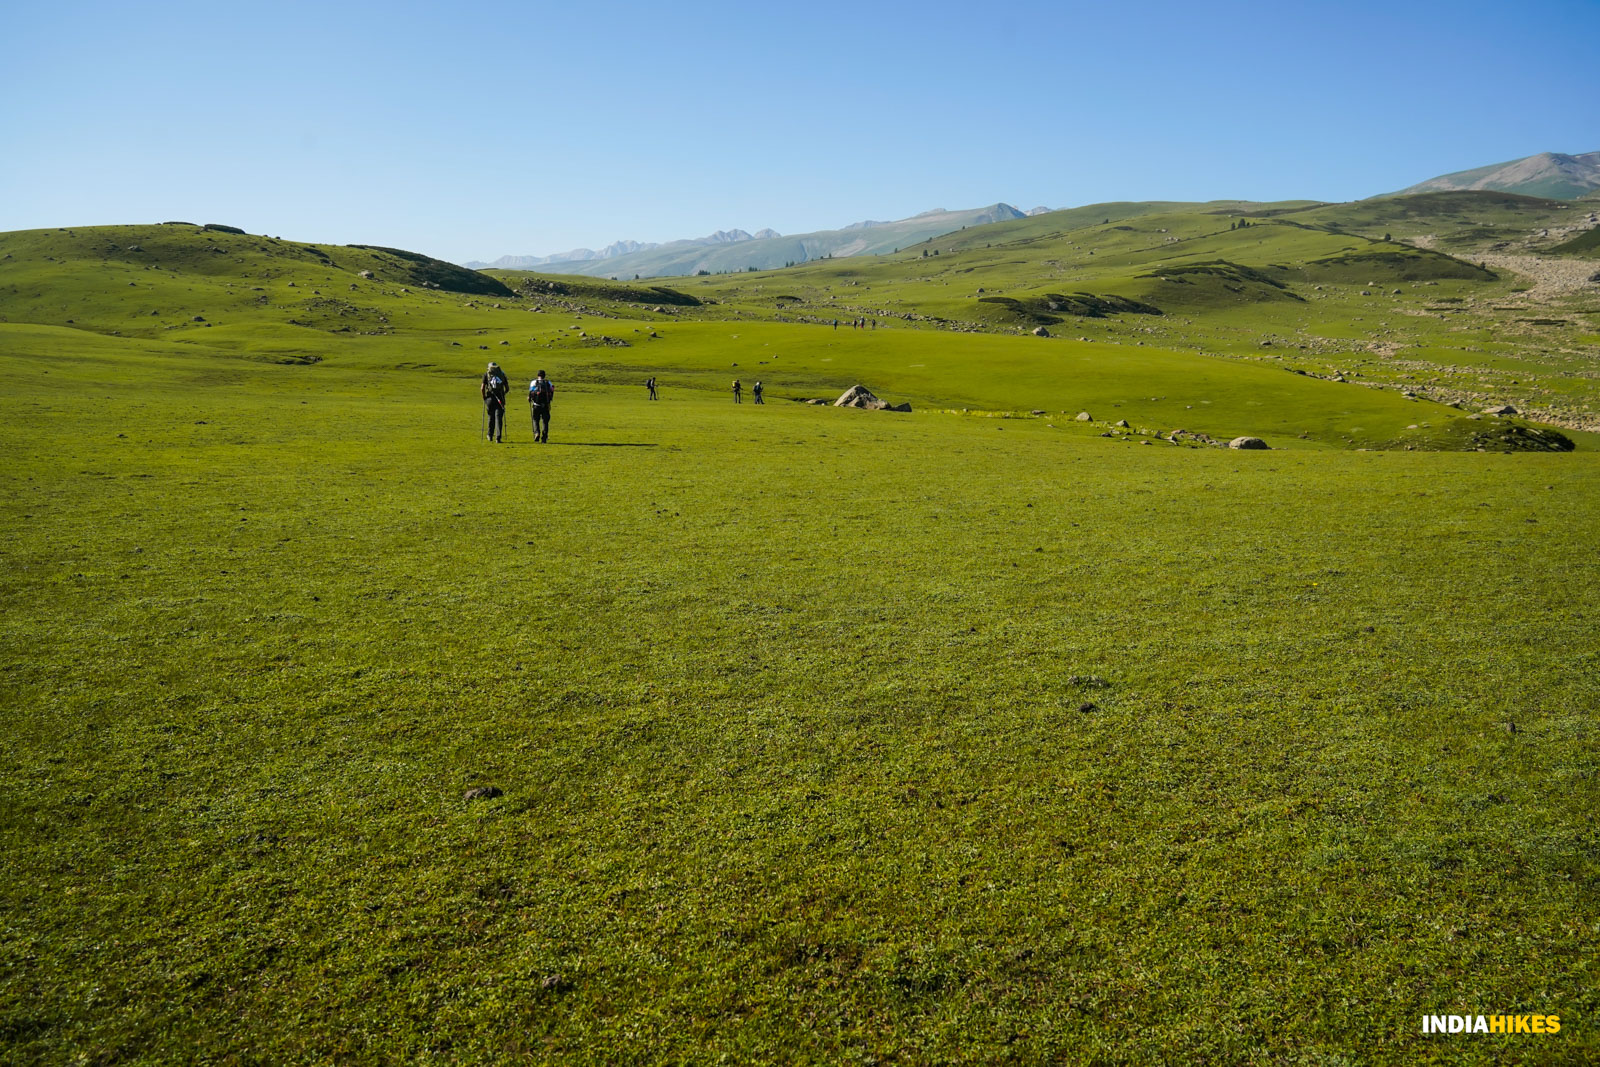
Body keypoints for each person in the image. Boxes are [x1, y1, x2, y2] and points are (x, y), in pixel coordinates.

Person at [481, 362, 509, 442]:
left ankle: (490, 435)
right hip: (500, 399)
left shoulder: (486, 374)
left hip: (490, 398)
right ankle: (498, 437)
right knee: (499, 418)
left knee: (491, 416)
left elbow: (482, 388)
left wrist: (484, 397)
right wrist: (503, 394)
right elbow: (507, 388)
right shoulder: (502, 374)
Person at [529, 369, 554, 443]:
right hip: (545, 405)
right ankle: (544, 437)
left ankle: (537, 433)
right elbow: (552, 390)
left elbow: (531, 392)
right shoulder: (548, 382)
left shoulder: (534, 382)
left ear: (538, 375)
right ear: (544, 376)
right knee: (545, 421)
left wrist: (529, 398)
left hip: (536, 405)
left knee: (535, 419)